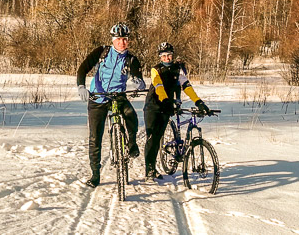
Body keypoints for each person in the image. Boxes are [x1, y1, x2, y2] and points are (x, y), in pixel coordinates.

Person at [76, 22, 146, 188]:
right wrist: (81, 86)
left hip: (117, 96)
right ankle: (95, 174)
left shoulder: (131, 59)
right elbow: (83, 68)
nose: (122, 42)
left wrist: (138, 83)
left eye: (125, 39)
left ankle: (132, 144)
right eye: (119, 39)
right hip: (98, 97)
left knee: (131, 116)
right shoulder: (102, 52)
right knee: (95, 137)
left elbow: (138, 77)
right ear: (113, 40)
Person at [143, 42, 211, 180]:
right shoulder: (155, 69)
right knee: (153, 138)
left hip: (167, 105)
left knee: (159, 135)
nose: (167, 58)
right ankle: (149, 168)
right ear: (160, 57)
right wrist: (166, 100)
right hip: (154, 105)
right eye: (163, 56)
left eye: (169, 55)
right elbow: (159, 86)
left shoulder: (177, 69)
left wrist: (199, 102)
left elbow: (186, 86)